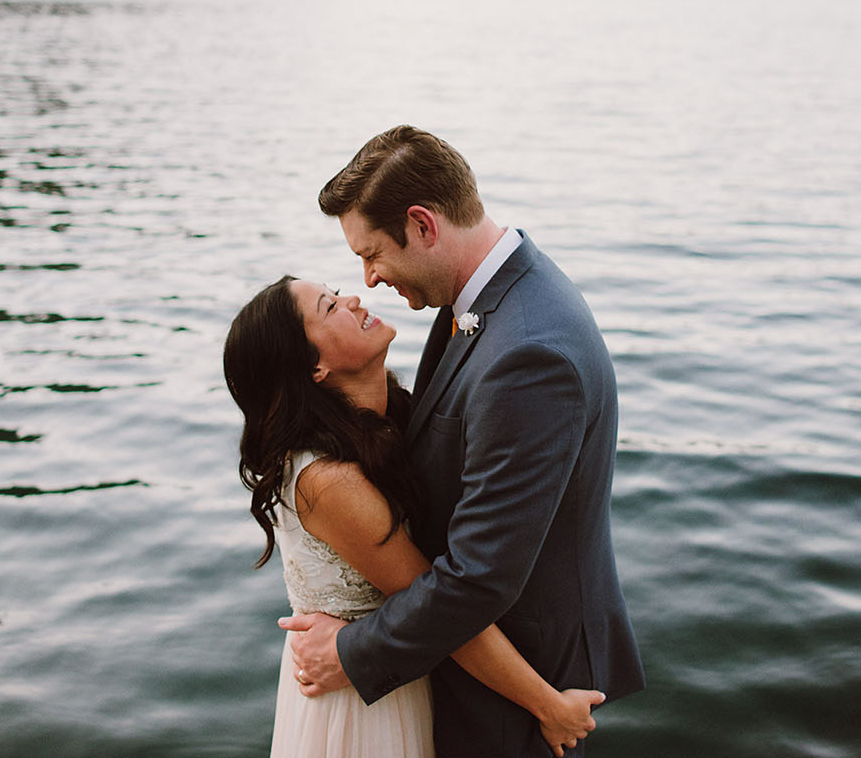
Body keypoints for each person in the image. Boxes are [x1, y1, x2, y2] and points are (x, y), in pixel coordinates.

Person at [282, 126, 644, 757]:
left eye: (372, 253)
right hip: (479, 659)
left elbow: (479, 578)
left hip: (519, 678)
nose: (367, 279)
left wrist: (350, 651)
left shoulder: (529, 353)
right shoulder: (487, 297)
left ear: (423, 224)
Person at [224, 275, 606, 757]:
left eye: (336, 291)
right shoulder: (327, 480)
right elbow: (439, 604)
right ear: (315, 366)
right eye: (330, 306)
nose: (354, 298)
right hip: (361, 710)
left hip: (397, 680)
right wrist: (548, 706)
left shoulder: (386, 421)